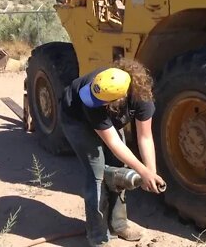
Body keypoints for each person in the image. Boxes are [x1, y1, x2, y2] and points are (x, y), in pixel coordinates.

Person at [59, 58, 165, 247]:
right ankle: (97, 237)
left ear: (120, 100)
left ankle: (118, 225)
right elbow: (113, 143)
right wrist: (143, 171)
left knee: (118, 170)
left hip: (109, 117)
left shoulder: (140, 97)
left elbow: (145, 137)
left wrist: (151, 171)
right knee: (96, 175)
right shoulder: (93, 97)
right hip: (76, 119)